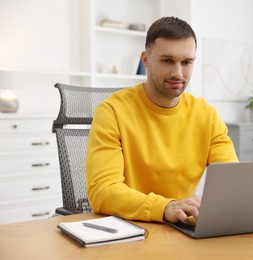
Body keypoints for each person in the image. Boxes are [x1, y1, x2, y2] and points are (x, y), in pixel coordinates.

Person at [86, 16, 238, 225]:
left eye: (186, 62)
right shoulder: (112, 112)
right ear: (145, 60)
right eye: (167, 61)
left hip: (181, 229)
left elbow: (232, 182)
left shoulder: (207, 116)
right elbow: (102, 191)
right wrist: (165, 207)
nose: (178, 73)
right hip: (130, 229)